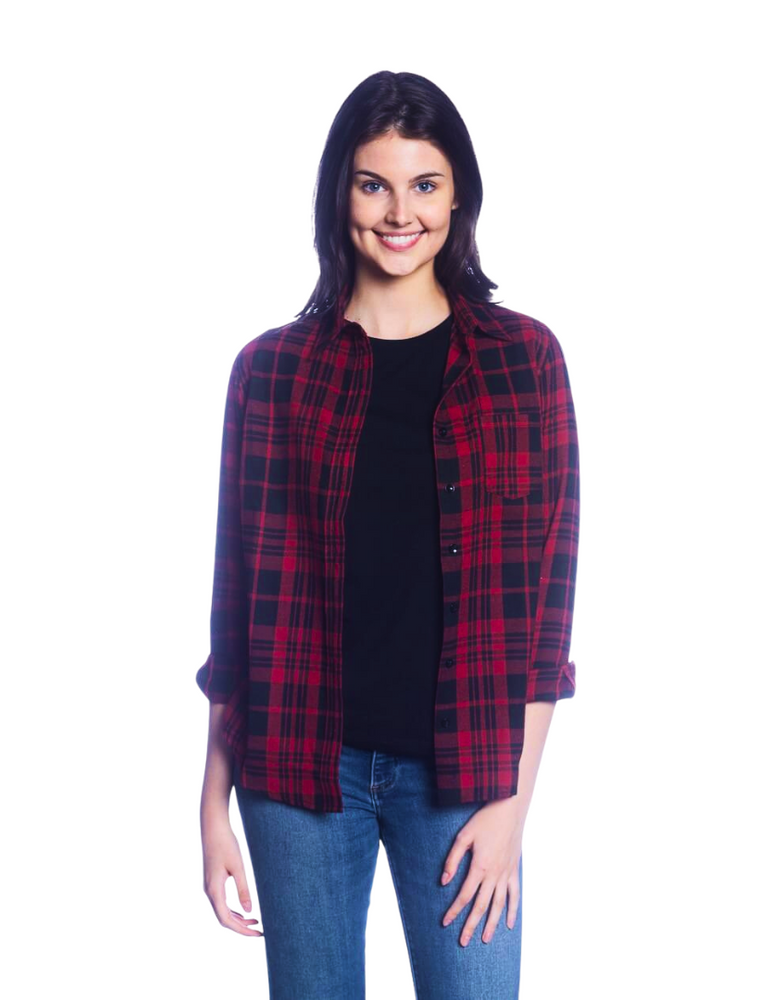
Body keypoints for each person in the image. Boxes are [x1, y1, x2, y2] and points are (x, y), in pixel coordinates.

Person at [197, 70, 580, 1000]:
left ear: (458, 197)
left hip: (466, 776)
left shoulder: (524, 361)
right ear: (341, 192)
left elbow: (547, 608)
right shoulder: (271, 372)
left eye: (425, 185)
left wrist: (513, 805)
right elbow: (237, 602)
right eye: (374, 184)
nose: (400, 213)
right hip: (295, 771)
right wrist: (212, 803)